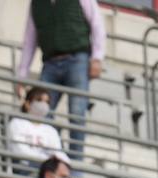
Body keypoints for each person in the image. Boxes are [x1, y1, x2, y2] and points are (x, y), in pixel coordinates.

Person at [16, 0, 105, 167]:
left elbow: (97, 24)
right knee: (40, 112)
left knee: (77, 114)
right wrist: (22, 74)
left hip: (78, 59)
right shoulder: (37, 4)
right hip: (50, 62)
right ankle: (50, 159)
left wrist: (97, 58)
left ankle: (75, 164)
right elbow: (30, 39)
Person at [8, 85, 66, 169]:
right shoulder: (17, 123)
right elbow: (19, 150)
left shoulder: (51, 130)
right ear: (27, 104)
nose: (43, 105)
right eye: (39, 100)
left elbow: (58, 153)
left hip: (46, 170)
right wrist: (46, 160)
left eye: (47, 102)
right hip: (25, 167)